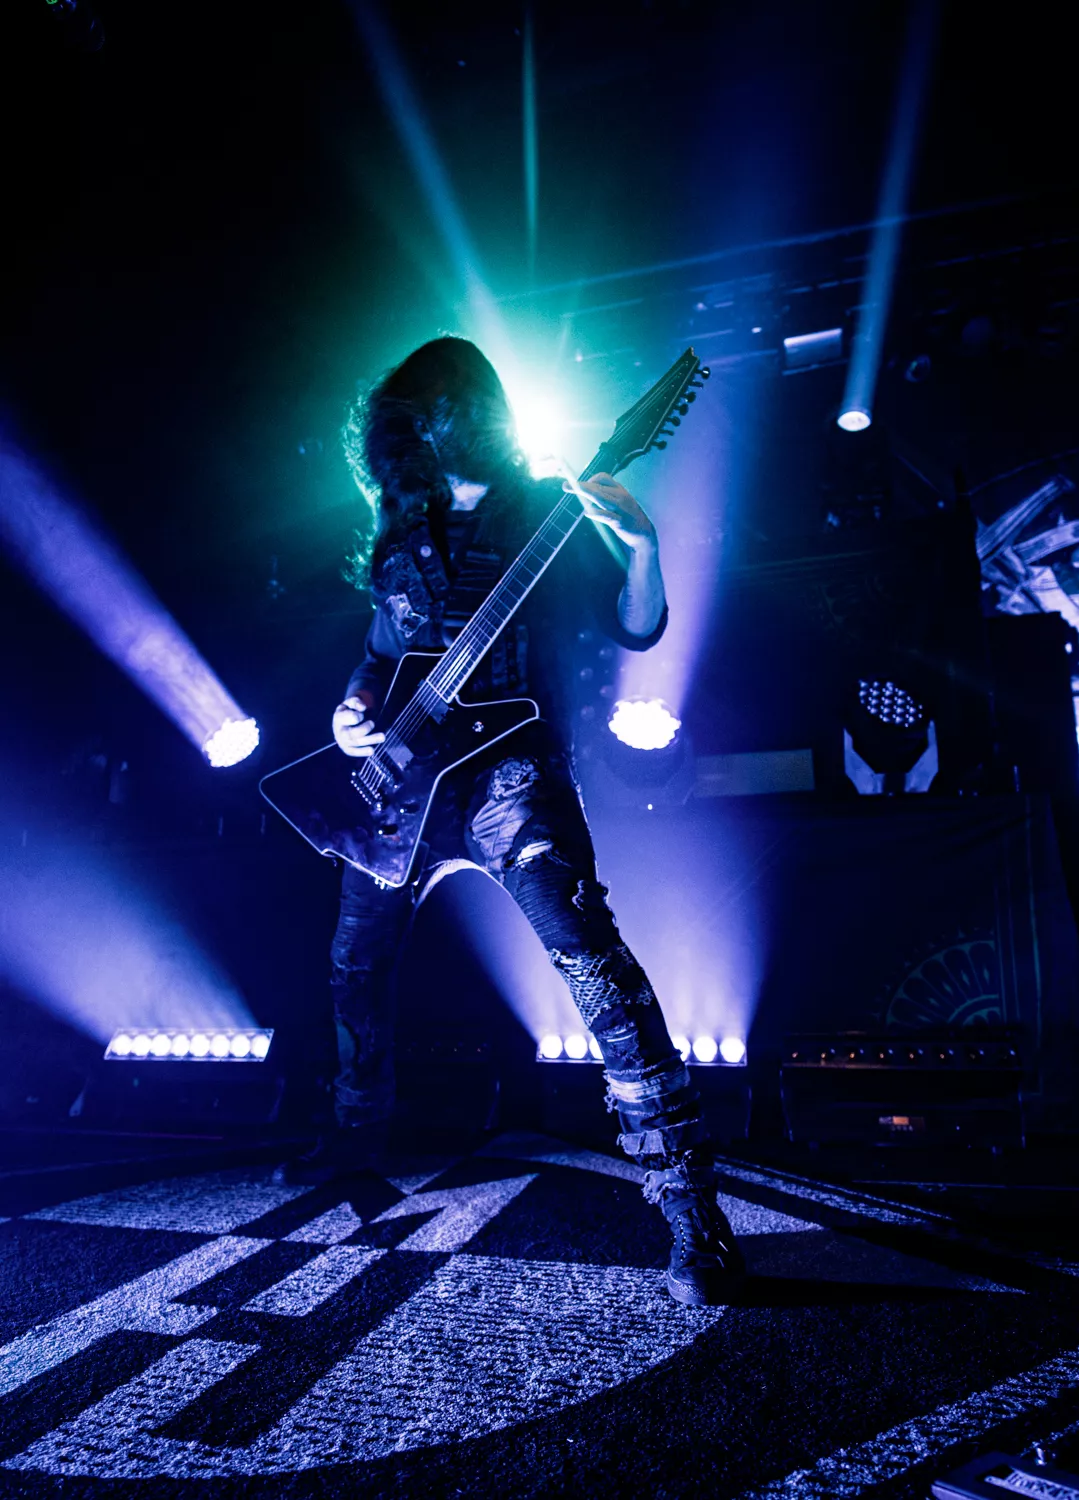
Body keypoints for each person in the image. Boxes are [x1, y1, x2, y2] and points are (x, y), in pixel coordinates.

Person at [297, 335, 743, 1306]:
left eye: (450, 405)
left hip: (510, 774)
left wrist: (639, 547)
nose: (436, 424)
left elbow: (637, 625)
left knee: (592, 963)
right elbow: (380, 653)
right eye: (420, 412)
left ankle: (687, 1201)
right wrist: (352, 708)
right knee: (352, 964)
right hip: (402, 789)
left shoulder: (547, 508)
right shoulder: (397, 530)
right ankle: (353, 1134)